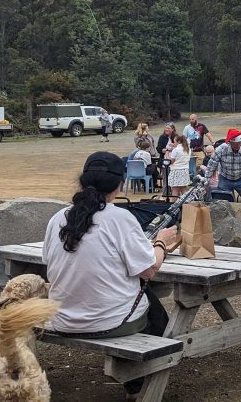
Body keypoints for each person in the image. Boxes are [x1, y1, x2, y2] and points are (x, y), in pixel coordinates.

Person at [42, 152, 180, 398]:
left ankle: (136, 378)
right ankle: (138, 385)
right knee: (156, 312)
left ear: (83, 181)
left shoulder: (57, 219)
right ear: (119, 183)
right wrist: (161, 243)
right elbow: (149, 269)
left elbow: (50, 262)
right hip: (109, 323)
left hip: (62, 319)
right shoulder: (120, 218)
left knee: (139, 296)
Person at [206, 128, 241, 208]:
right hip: (225, 178)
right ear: (230, 142)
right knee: (222, 205)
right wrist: (207, 179)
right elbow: (211, 164)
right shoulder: (221, 149)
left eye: (239, 143)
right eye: (235, 143)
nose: (237, 145)